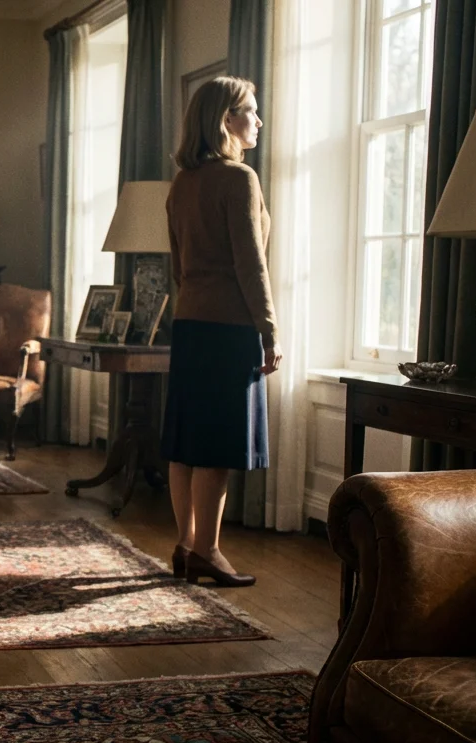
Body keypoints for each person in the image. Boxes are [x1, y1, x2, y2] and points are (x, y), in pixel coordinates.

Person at [161, 76, 279, 589]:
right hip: (229, 326)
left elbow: (177, 266)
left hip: (189, 323)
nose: (259, 121)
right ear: (227, 119)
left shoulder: (182, 184)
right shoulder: (238, 179)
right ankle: (208, 551)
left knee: (187, 441)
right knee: (216, 445)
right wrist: (269, 329)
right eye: (251, 111)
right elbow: (251, 264)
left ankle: (185, 544)